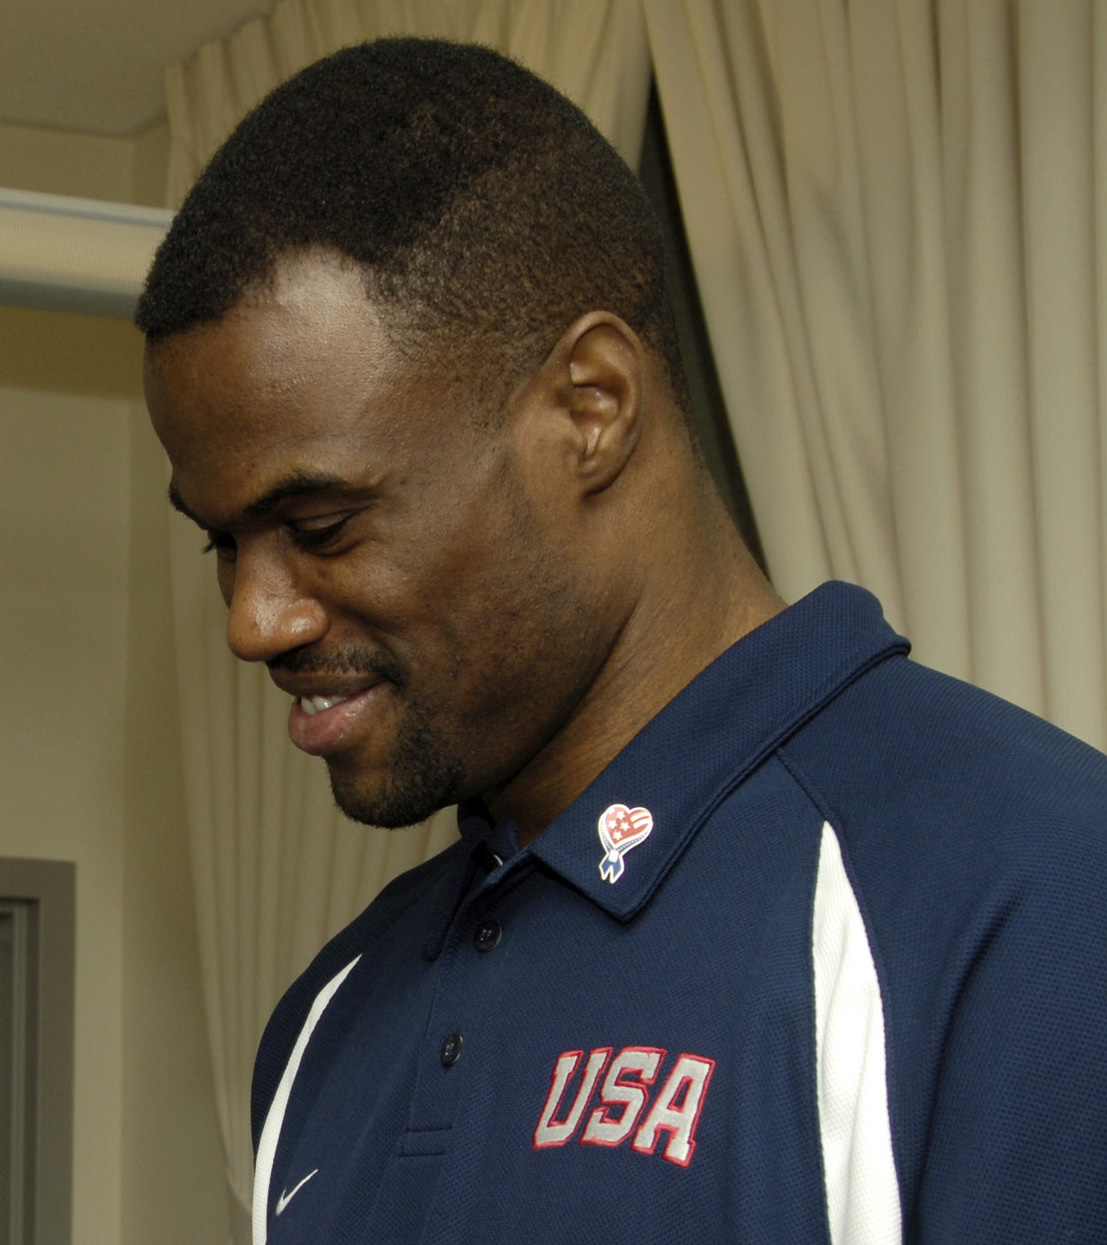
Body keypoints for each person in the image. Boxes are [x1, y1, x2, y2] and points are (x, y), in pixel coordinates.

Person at [139, 37, 1107, 1245]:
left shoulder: (1034, 901)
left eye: (321, 526)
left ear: (590, 409)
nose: (254, 621)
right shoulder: (325, 1022)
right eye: (223, 542)